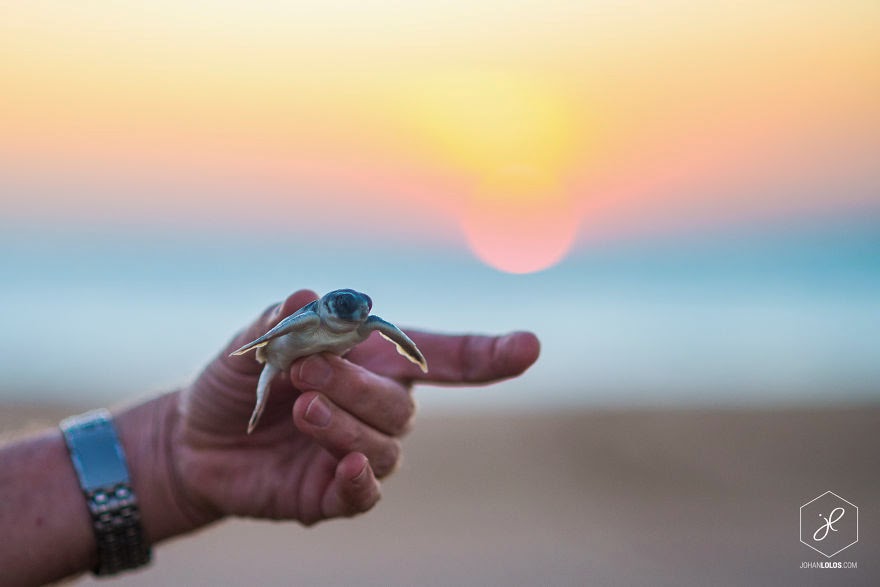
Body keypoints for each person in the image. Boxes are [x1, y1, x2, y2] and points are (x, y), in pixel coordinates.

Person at [0, 289, 540, 585]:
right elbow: (277, 332)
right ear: (326, 306)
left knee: (316, 394)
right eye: (341, 307)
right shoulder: (306, 315)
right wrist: (251, 346)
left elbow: (388, 332)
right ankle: (256, 405)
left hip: (277, 393)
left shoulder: (368, 324)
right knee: (264, 388)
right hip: (278, 357)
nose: (353, 316)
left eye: (362, 312)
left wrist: (165, 463)